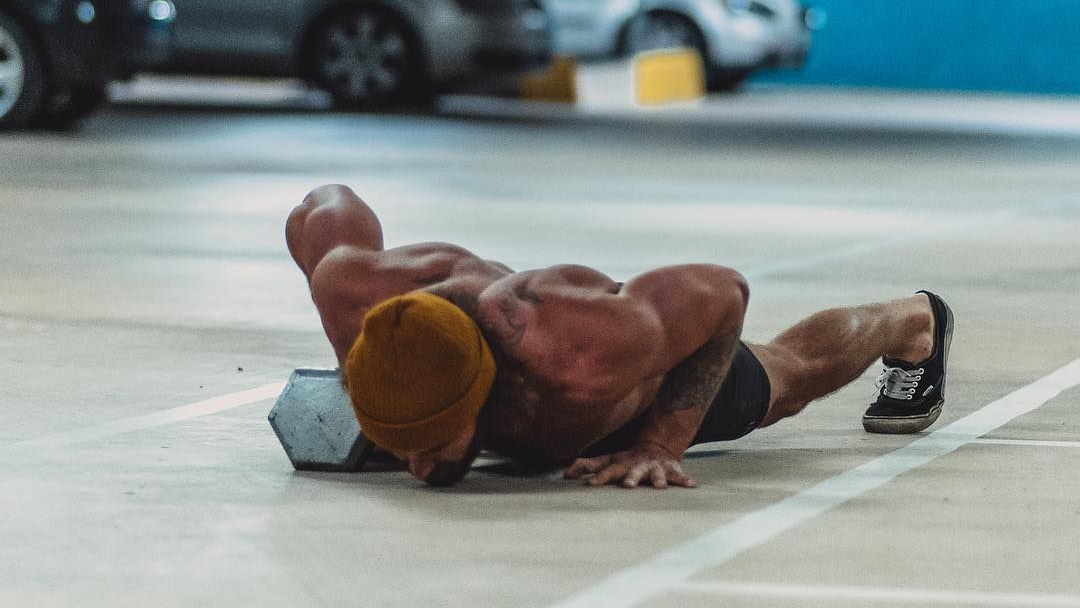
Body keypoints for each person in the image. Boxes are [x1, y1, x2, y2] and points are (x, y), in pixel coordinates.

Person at [287, 184, 954, 490]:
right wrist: (391, 392)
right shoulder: (358, 301)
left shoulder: (584, 354)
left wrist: (663, 442)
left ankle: (911, 321)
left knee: (788, 380)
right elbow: (321, 207)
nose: (421, 469)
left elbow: (723, 291)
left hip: (637, 401)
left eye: (430, 445)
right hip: (464, 366)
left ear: (480, 385)